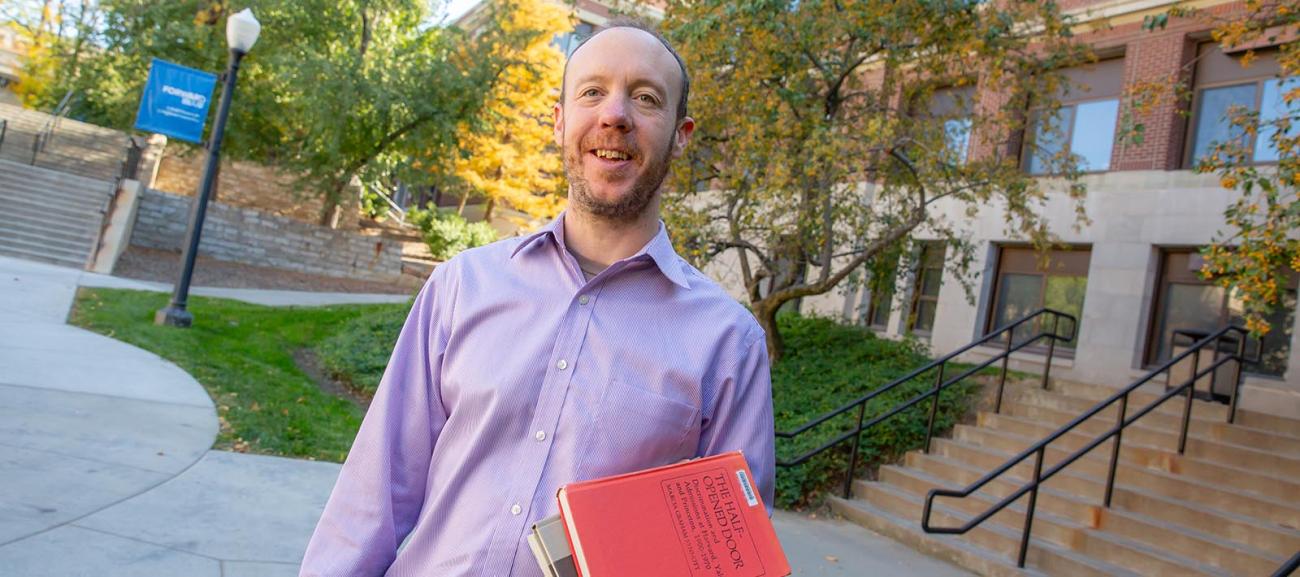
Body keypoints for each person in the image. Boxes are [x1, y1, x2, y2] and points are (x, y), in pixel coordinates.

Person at [300, 18, 775, 577]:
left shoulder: (728, 344)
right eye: (592, 92)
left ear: (681, 134)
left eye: (646, 98)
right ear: (559, 121)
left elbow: (734, 558)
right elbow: (372, 496)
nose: (614, 115)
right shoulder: (461, 287)